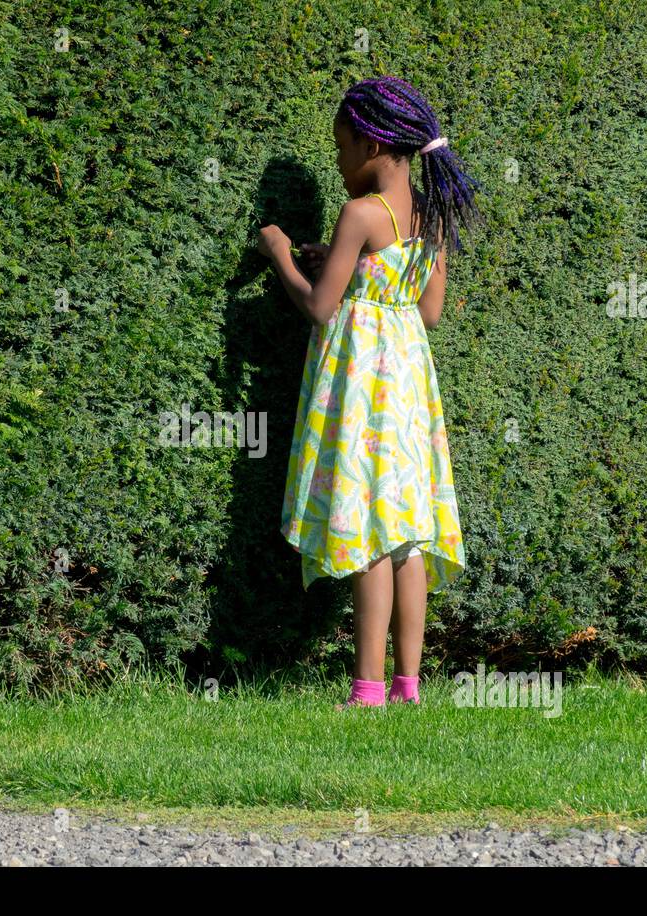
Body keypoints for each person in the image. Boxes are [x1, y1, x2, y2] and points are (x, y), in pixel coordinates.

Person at [257, 75, 482, 711]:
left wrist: (281, 254)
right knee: (408, 535)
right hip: (409, 383)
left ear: (371, 142)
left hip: (363, 386)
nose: (337, 159)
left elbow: (322, 307)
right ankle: (409, 687)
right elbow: (429, 308)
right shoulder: (430, 213)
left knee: (368, 533)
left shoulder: (361, 213)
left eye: (341, 145)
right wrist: (352, 261)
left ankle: (367, 691)